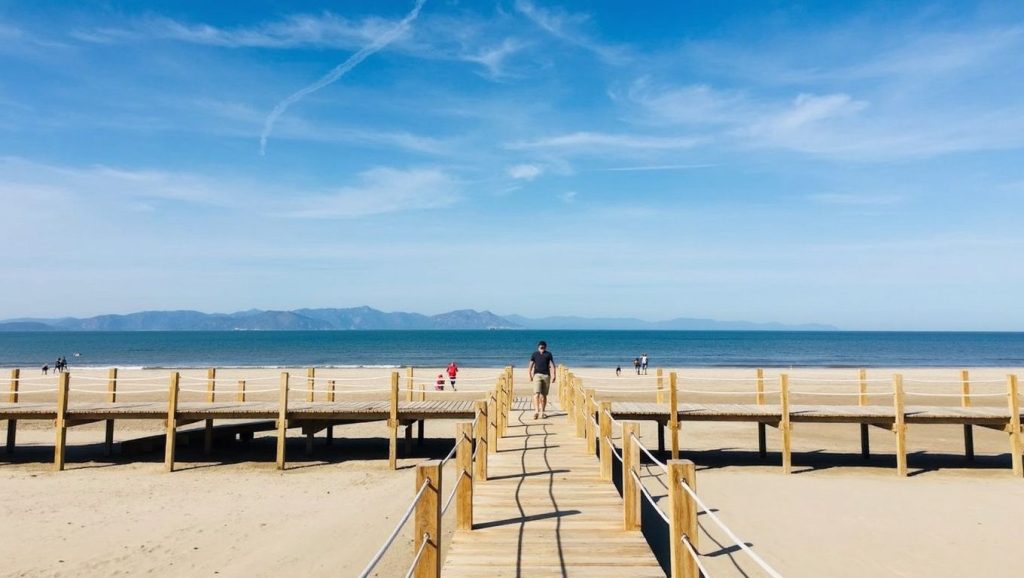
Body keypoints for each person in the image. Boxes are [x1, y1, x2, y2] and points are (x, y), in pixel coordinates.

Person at [527, 340, 555, 420]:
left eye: (543, 347)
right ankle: (536, 411)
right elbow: (531, 365)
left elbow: (552, 365)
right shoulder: (535, 354)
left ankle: (542, 412)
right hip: (537, 375)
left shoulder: (548, 354)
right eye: (541, 347)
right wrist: (530, 375)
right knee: (536, 394)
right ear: (538, 347)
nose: (542, 348)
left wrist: (554, 375)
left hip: (546, 376)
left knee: (544, 395)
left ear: (545, 347)